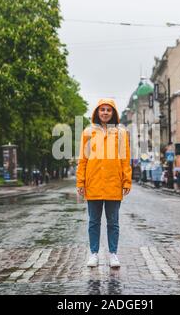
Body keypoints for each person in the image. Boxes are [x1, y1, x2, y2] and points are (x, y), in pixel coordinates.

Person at [76, 98, 131, 269]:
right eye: (102, 110)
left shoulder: (121, 133)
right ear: (97, 112)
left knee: (113, 221)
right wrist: (80, 181)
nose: (105, 112)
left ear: (113, 112)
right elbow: (83, 159)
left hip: (114, 183)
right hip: (93, 183)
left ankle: (113, 254)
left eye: (108, 110)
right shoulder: (87, 132)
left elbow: (125, 158)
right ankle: (94, 254)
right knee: (94, 221)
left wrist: (126, 180)